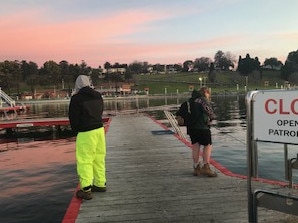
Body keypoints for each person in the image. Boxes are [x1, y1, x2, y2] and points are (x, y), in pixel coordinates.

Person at [68, 75, 107, 200]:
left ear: (77, 84)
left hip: (86, 132)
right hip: (99, 130)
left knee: (85, 160)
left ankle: (86, 189)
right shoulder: (97, 95)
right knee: (98, 158)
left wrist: (76, 131)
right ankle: (100, 184)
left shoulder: (76, 98)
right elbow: (100, 111)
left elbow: (73, 118)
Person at [188, 87, 217, 177]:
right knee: (207, 145)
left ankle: (196, 167)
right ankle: (206, 166)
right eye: (209, 94)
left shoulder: (191, 100)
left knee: (195, 146)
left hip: (192, 128)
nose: (209, 96)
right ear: (205, 93)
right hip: (203, 127)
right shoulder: (202, 100)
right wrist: (212, 117)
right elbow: (208, 110)